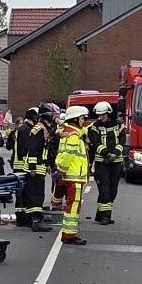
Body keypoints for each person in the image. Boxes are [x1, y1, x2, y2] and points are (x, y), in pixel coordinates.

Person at [57, 105, 91, 244]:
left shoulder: (68, 132)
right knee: (74, 205)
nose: (84, 121)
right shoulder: (74, 135)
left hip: (72, 176)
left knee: (72, 204)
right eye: (82, 118)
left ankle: (69, 233)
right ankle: (69, 235)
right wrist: (63, 170)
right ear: (76, 119)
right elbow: (68, 155)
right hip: (74, 176)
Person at [20, 104, 56, 232]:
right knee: (36, 194)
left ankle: (32, 219)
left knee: (35, 193)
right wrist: (33, 167)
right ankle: (36, 221)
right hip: (34, 168)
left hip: (40, 166)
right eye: (52, 115)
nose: (54, 118)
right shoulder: (39, 129)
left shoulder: (44, 128)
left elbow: (44, 150)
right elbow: (33, 149)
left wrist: (47, 164)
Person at [88, 101, 124, 225]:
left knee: (113, 189)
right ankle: (105, 216)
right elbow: (95, 143)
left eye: (103, 115)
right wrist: (107, 154)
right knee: (104, 189)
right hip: (101, 162)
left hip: (116, 162)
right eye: (99, 115)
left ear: (108, 113)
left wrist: (115, 154)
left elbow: (123, 142)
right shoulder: (94, 127)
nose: (101, 117)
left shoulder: (119, 125)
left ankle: (100, 214)